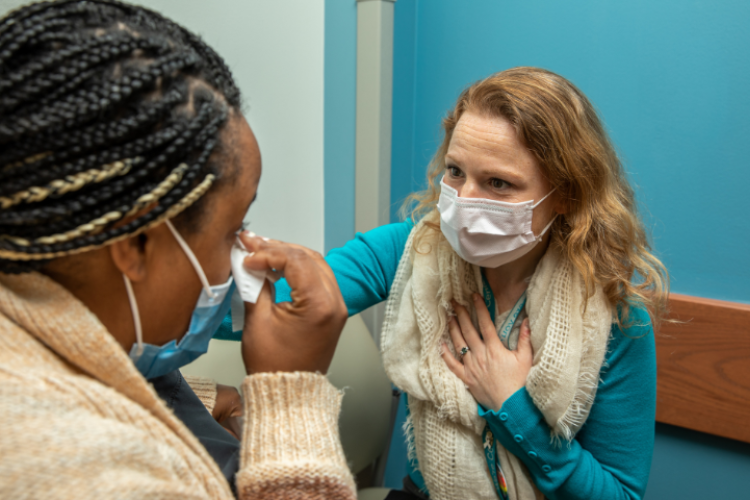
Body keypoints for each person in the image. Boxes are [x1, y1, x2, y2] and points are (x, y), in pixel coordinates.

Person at [0, 1, 355, 499]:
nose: (244, 252)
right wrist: (291, 394)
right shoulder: (86, 467)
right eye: (235, 228)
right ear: (136, 240)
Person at [260, 67, 667, 500]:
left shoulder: (614, 316)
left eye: (497, 183)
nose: (462, 201)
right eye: (455, 172)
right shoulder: (412, 251)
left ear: (566, 194)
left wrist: (512, 407)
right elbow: (286, 304)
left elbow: (620, 495)